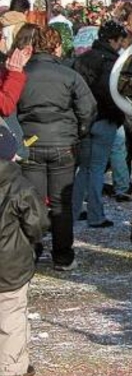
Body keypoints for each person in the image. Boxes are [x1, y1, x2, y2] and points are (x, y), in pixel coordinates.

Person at [15, 24, 96, 270]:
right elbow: (88, 108)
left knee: (34, 202)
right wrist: (78, 132)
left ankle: (32, 251)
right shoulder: (70, 75)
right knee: (62, 203)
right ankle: (62, 255)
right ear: (57, 46)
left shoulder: (21, 73)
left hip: (30, 141)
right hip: (63, 143)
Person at [0, 125, 49, 376]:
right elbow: (38, 223)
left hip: (11, 260)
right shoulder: (20, 186)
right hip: (11, 262)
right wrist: (33, 242)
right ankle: (10, 366)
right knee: (11, 313)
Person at [72, 20, 130, 229]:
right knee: (96, 168)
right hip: (104, 119)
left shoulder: (84, 58)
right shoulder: (113, 63)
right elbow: (113, 95)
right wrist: (119, 117)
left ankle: (74, 210)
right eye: (120, 40)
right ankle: (96, 215)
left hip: (84, 120)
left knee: (83, 168)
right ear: (113, 40)